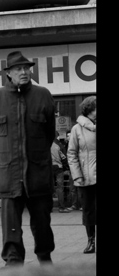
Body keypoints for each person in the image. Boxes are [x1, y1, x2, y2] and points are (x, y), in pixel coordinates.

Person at [0, 50, 56, 267]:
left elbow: (50, 133)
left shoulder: (43, 94)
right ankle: (13, 261)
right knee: (10, 223)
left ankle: (45, 258)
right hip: (10, 172)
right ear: (9, 73)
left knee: (42, 222)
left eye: (27, 68)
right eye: (18, 69)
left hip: (38, 172)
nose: (24, 72)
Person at [67, 96, 96, 254]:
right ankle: (91, 241)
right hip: (86, 176)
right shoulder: (77, 129)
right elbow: (71, 154)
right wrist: (77, 175)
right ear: (89, 110)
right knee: (89, 210)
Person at [51, 139, 71, 213]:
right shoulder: (59, 145)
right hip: (59, 168)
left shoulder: (46, 145)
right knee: (60, 188)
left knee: (50, 188)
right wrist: (65, 167)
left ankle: (49, 208)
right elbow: (64, 157)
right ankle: (61, 207)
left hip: (49, 168)